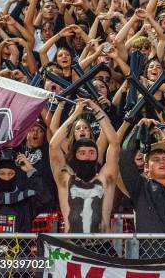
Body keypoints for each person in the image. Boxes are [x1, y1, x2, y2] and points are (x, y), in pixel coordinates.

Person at [49, 98, 119, 233]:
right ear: (75, 156)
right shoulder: (65, 179)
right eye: (82, 152)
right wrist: (76, 114)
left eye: (92, 152)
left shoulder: (104, 179)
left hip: (101, 247)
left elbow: (114, 144)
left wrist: (95, 108)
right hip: (74, 246)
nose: (87, 156)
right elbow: (53, 146)